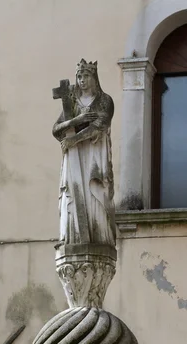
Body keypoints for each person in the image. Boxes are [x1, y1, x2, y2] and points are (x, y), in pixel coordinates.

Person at [53, 59, 115, 247]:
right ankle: (73, 235)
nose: (82, 80)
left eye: (86, 76)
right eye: (79, 76)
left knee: (95, 196)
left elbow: (99, 126)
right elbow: (56, 130)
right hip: (74, 160)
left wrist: (73, 139)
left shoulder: (104, 101)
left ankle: (98, 236)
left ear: (94, 78)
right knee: (72, 194)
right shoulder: (71, 103)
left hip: (95, 157)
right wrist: (75, 120)